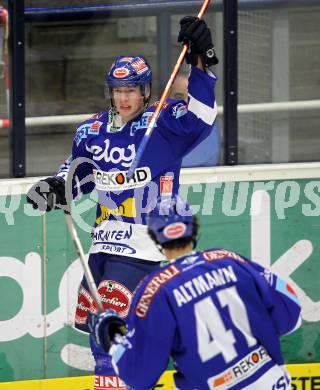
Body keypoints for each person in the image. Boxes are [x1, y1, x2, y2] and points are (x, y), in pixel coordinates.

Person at [26, 16, 219, 390]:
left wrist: (201, 60)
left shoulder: (165, 121)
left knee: (125, 329)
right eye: (118, 90)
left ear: (146, 91)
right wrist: (52, 188)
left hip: (148, 245)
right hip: (104, 243)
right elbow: (75, 176)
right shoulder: (92, 129)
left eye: (132, 89)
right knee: (103, 334)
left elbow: (203, 116)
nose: (125, 97)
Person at [88, 194, 302, 390]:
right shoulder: (230, 261)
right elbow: (290, 311)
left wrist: (114, 338)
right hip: (273, 382)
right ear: (194, 229)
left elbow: (138, 375)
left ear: (154, 236)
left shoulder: (154, 290)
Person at [171, 73, 221, 167]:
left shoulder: (207, 126)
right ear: (167, 98)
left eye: (192, 98)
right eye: (179, 97)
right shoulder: (157, 126)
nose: (186, 103)